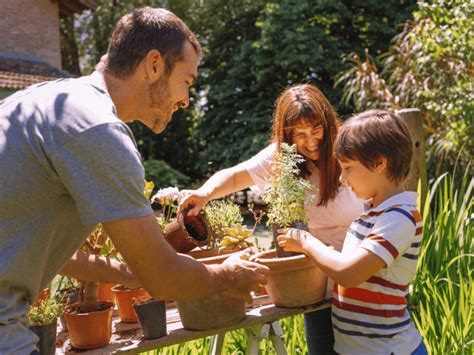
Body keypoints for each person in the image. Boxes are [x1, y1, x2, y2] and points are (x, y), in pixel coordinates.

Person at [0, 7, 268, 353]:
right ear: (154, 64)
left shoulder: (45, 102)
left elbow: (45, 251)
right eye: (186, 81)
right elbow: (161, 278)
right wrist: (230, 275)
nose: (186, 100)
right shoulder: (98, 130)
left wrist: (132, 271)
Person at [178, 84, 364, 354]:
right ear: (287, 135)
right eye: (299, 134)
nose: (310, 141)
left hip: (363, 279)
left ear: (327, 122)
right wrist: (205, 193)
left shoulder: (349, 147)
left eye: (316, 129)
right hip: (318, 285)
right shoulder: (281, 158)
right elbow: (234, 175)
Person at [277, 110, 428, 354]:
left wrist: (307, 242)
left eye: (348, 168)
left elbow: (348, 273)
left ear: (379, 163)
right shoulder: (369, 214)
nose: (342, 178)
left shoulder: (400, 218)